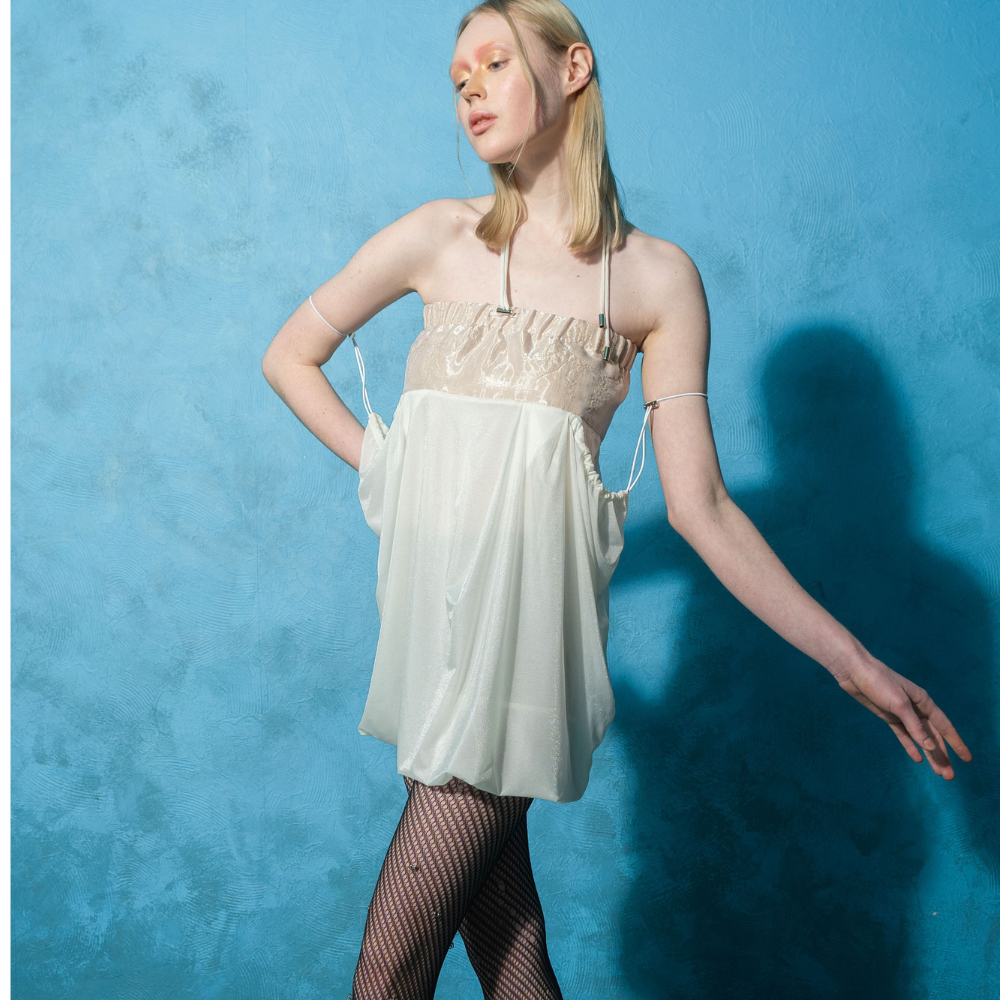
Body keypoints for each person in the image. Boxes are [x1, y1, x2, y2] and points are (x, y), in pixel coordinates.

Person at [261, 1, 973, 997]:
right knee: (512, 960)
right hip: (433, 638)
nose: (469, 89)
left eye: (494, 63)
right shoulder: (435, 236)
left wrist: (853, 663)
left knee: (388, 976)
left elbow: (701, 510)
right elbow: (289, 357)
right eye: (457, 77)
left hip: (522, 653)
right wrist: (392, 467)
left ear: (574, 68)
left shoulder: (655, 280)